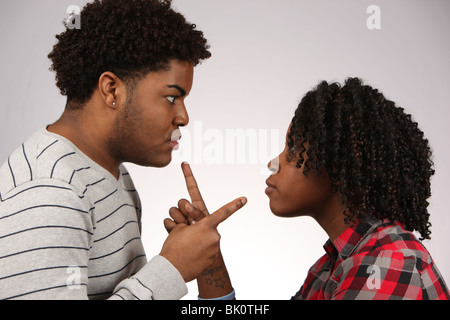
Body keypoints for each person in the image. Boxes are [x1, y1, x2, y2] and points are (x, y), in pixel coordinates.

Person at [0, 0, 246, 300]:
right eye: (171, 98)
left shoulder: (109, 171)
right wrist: (173, 268)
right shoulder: (49, 191)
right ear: (111, 90)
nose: (183, 117)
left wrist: (201, 258)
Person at [169, 78, 450, 300]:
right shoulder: (330, 268)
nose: (272, 163)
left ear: (337, 164)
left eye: (292, 149)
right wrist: (210, 259)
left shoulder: (388, 263)